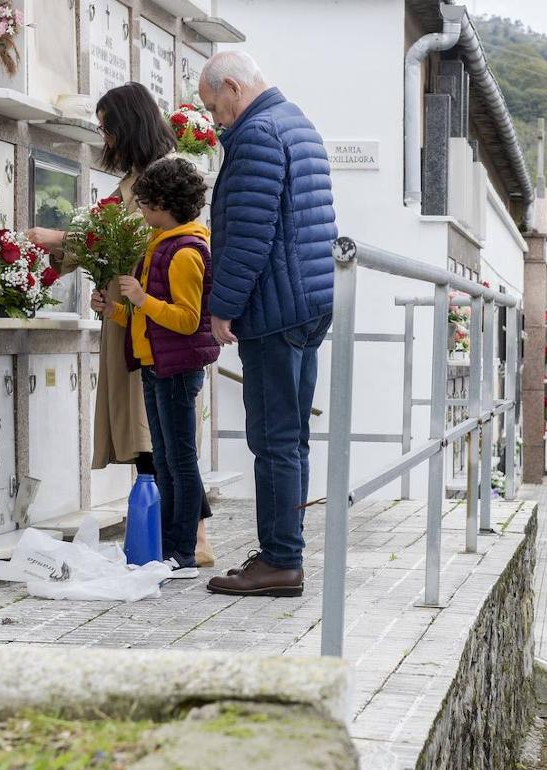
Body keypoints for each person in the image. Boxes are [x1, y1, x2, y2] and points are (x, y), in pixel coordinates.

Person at [26, 82, 216, 567]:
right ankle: (173, 536)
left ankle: (188, 540)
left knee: (162, 441)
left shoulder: (158, 179)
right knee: (159, 438)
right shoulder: (138, 177)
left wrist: (59, 239)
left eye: (109, 128)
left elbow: (127, 238)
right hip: (129, 317)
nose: (105, 138)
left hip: (153, 330)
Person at [198, 52, 337, 598]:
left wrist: (223, 308)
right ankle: (284, 549)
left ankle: (281, 561)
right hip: (306, 305)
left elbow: (251, 234)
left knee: (273, 439)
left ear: (233, 86)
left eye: (215, 108)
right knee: (292, 438)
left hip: (275, 311)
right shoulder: (296, 122)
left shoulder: (257, 134)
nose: (215, 121)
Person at [92, 157, 219, 577]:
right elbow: (147, 320)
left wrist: (143, 299)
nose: (141, 213)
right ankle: (167, 545)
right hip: (155, 365)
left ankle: (183, 552)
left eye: (145, 206)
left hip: (176, 369)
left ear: (164, 204)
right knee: (164, 459)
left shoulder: (185, 253)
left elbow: (186, 319)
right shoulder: (162, 244)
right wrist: (115, 310)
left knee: (180, 461)